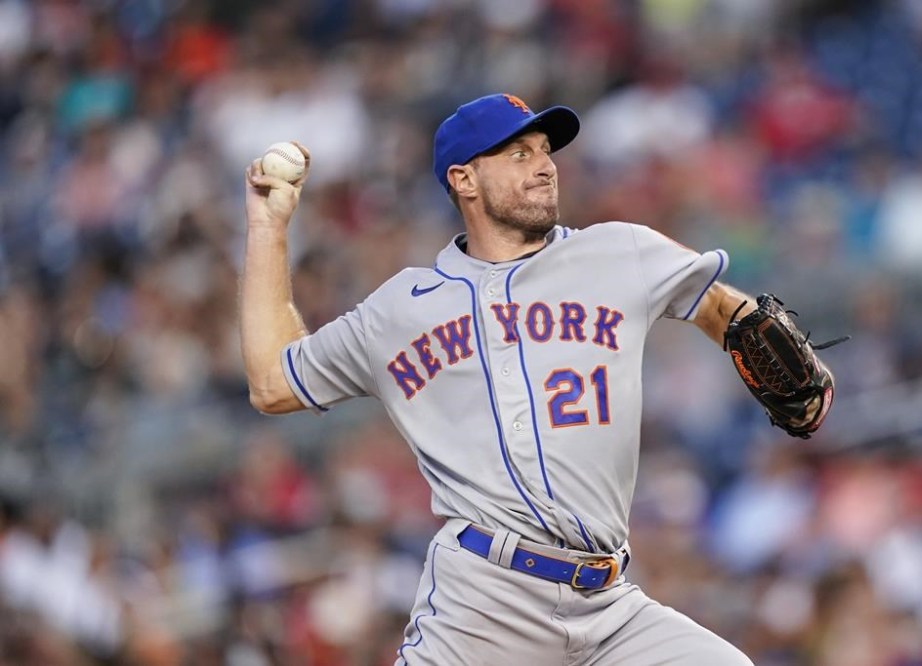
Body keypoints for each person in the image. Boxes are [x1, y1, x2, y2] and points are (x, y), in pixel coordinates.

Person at [240, 93, 762, 664]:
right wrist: (269, 229)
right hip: (483, 606)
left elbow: (717, 304)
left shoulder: (619, 251)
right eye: (517, 153)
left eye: (544, 150)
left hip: (608, 605)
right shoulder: (399, 310)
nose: (543, 165)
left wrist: (766, 343)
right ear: (464, 179)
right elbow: (274, 381)